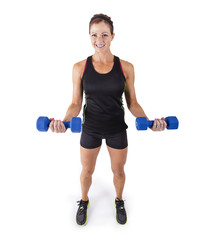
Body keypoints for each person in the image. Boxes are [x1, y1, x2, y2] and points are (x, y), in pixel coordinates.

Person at [49, 13, 167, 225]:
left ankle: (119, 200)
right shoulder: (79, 67)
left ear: (113, 36)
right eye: (94, 35)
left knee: (118, 171)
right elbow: (76, 103)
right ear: (89, 36)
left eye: (104, 34)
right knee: (86, 171)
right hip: (90, 127)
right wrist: (64, 123)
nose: (99, 40)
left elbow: (133, 103)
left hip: (116, 128)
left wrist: (150, 123)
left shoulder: (126, 67)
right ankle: (84, 200)